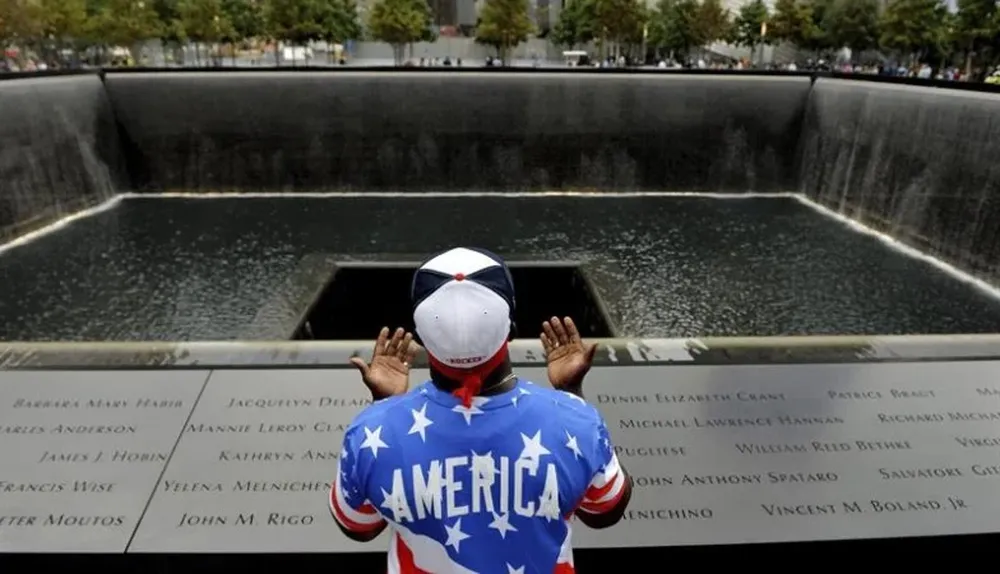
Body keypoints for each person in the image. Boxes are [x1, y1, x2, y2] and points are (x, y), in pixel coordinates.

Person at [329, 247, 632, 573]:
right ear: (511, 329)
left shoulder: (371, 432)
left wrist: (384, 407)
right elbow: (604, 512)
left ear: (422, 339)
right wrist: (571, 395)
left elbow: (359, 526)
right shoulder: (577, 421)